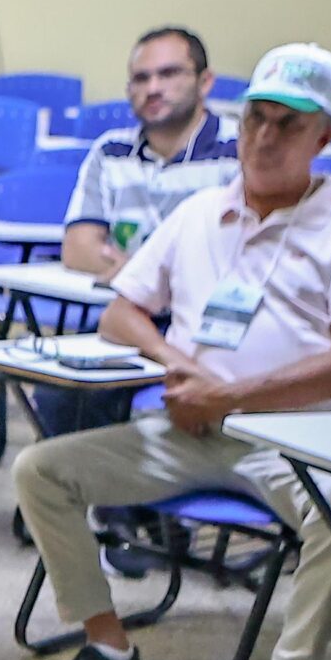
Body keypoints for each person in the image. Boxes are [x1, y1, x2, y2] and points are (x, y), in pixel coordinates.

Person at [13, 43, 331, 660]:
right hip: (192, 427)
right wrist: (178, 364)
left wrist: (232, 393)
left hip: (301, 439)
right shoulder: (200, 213)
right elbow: (121, 313)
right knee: (42, 471)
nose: (265, 138)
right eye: (256, 119)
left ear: (325, 136)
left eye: (288, 125)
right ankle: (108, 648)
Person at [37, 26, 239, 439]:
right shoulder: (110, 152)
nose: (153, 88)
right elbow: (79, 247)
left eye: (169, 74)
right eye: (141, 79)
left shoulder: (237, 151)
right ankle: (101, 480)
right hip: (128, 319)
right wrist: (149, 277)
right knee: (61, 393)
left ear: (205, 82)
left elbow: (238, 257)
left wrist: (138, 272)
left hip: (208, 325)